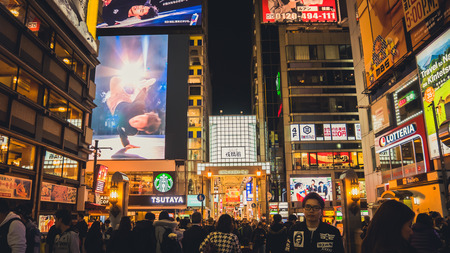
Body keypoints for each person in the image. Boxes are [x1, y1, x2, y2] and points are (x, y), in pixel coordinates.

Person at [106, 76, 161, 151]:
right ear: (143, 114)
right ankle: (139, 86)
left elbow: (120, 129)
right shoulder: (139, 107)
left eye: (138, 123)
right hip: (126, 100)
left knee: (114, 81)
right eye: (140, 117)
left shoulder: (131, 131)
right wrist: (145, 88)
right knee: (117, 80)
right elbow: (141, 97)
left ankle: (136, 88)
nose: (135, 119)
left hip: (114, 103)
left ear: (140, 129)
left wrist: (126, 144)